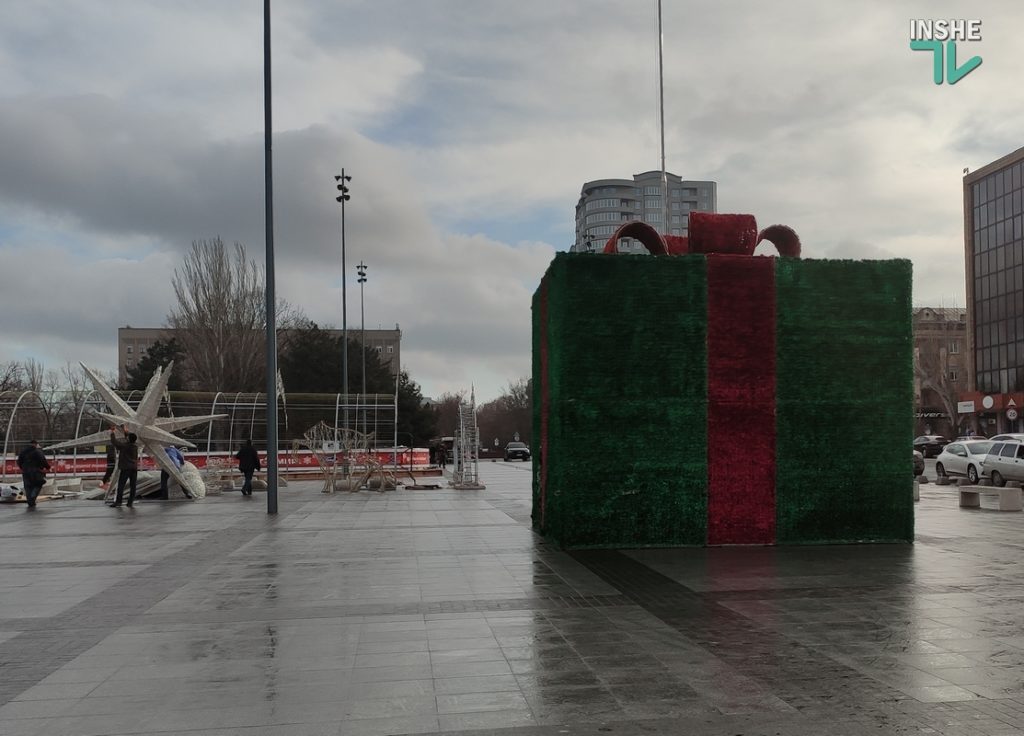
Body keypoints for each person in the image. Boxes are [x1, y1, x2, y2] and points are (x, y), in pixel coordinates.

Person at [109, 425, 140, 508]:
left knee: (121, 485)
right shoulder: (135, 446)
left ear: (129, 439)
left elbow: (114, 442)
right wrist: (125, 432)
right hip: (134, 468)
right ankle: (130, 502)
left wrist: (112, 432)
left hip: (126, 468)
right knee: (133, 486)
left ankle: (118, 502)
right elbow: (130, 438)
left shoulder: (125, 446)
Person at [16, 439, 50, 509]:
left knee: (27, 487)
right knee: (38, 484)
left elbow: (19, 461)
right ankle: (32, 497)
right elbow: (43, 460)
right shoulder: (37, 452)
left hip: (25, 472)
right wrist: (48, 467)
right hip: (36, 472)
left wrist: (23, 468)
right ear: (35, 444)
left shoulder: (23, 452)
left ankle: (30, 501)